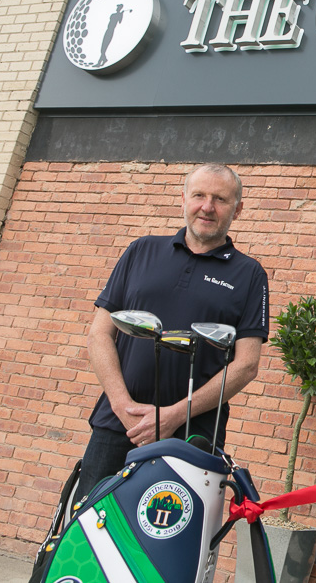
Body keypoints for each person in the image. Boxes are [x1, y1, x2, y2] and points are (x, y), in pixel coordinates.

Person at [75, 163, 268, 503]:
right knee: (89, 533)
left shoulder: (250, 274)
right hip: (118, 423)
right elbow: (99, 334)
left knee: (168, 545)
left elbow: (246, 365)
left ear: (238, 209)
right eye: (199, 195)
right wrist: (123, 407)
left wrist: (173, 416)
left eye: (220, 199)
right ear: (183, 199)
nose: (207, 207)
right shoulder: (141, 251)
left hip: (192, 436)